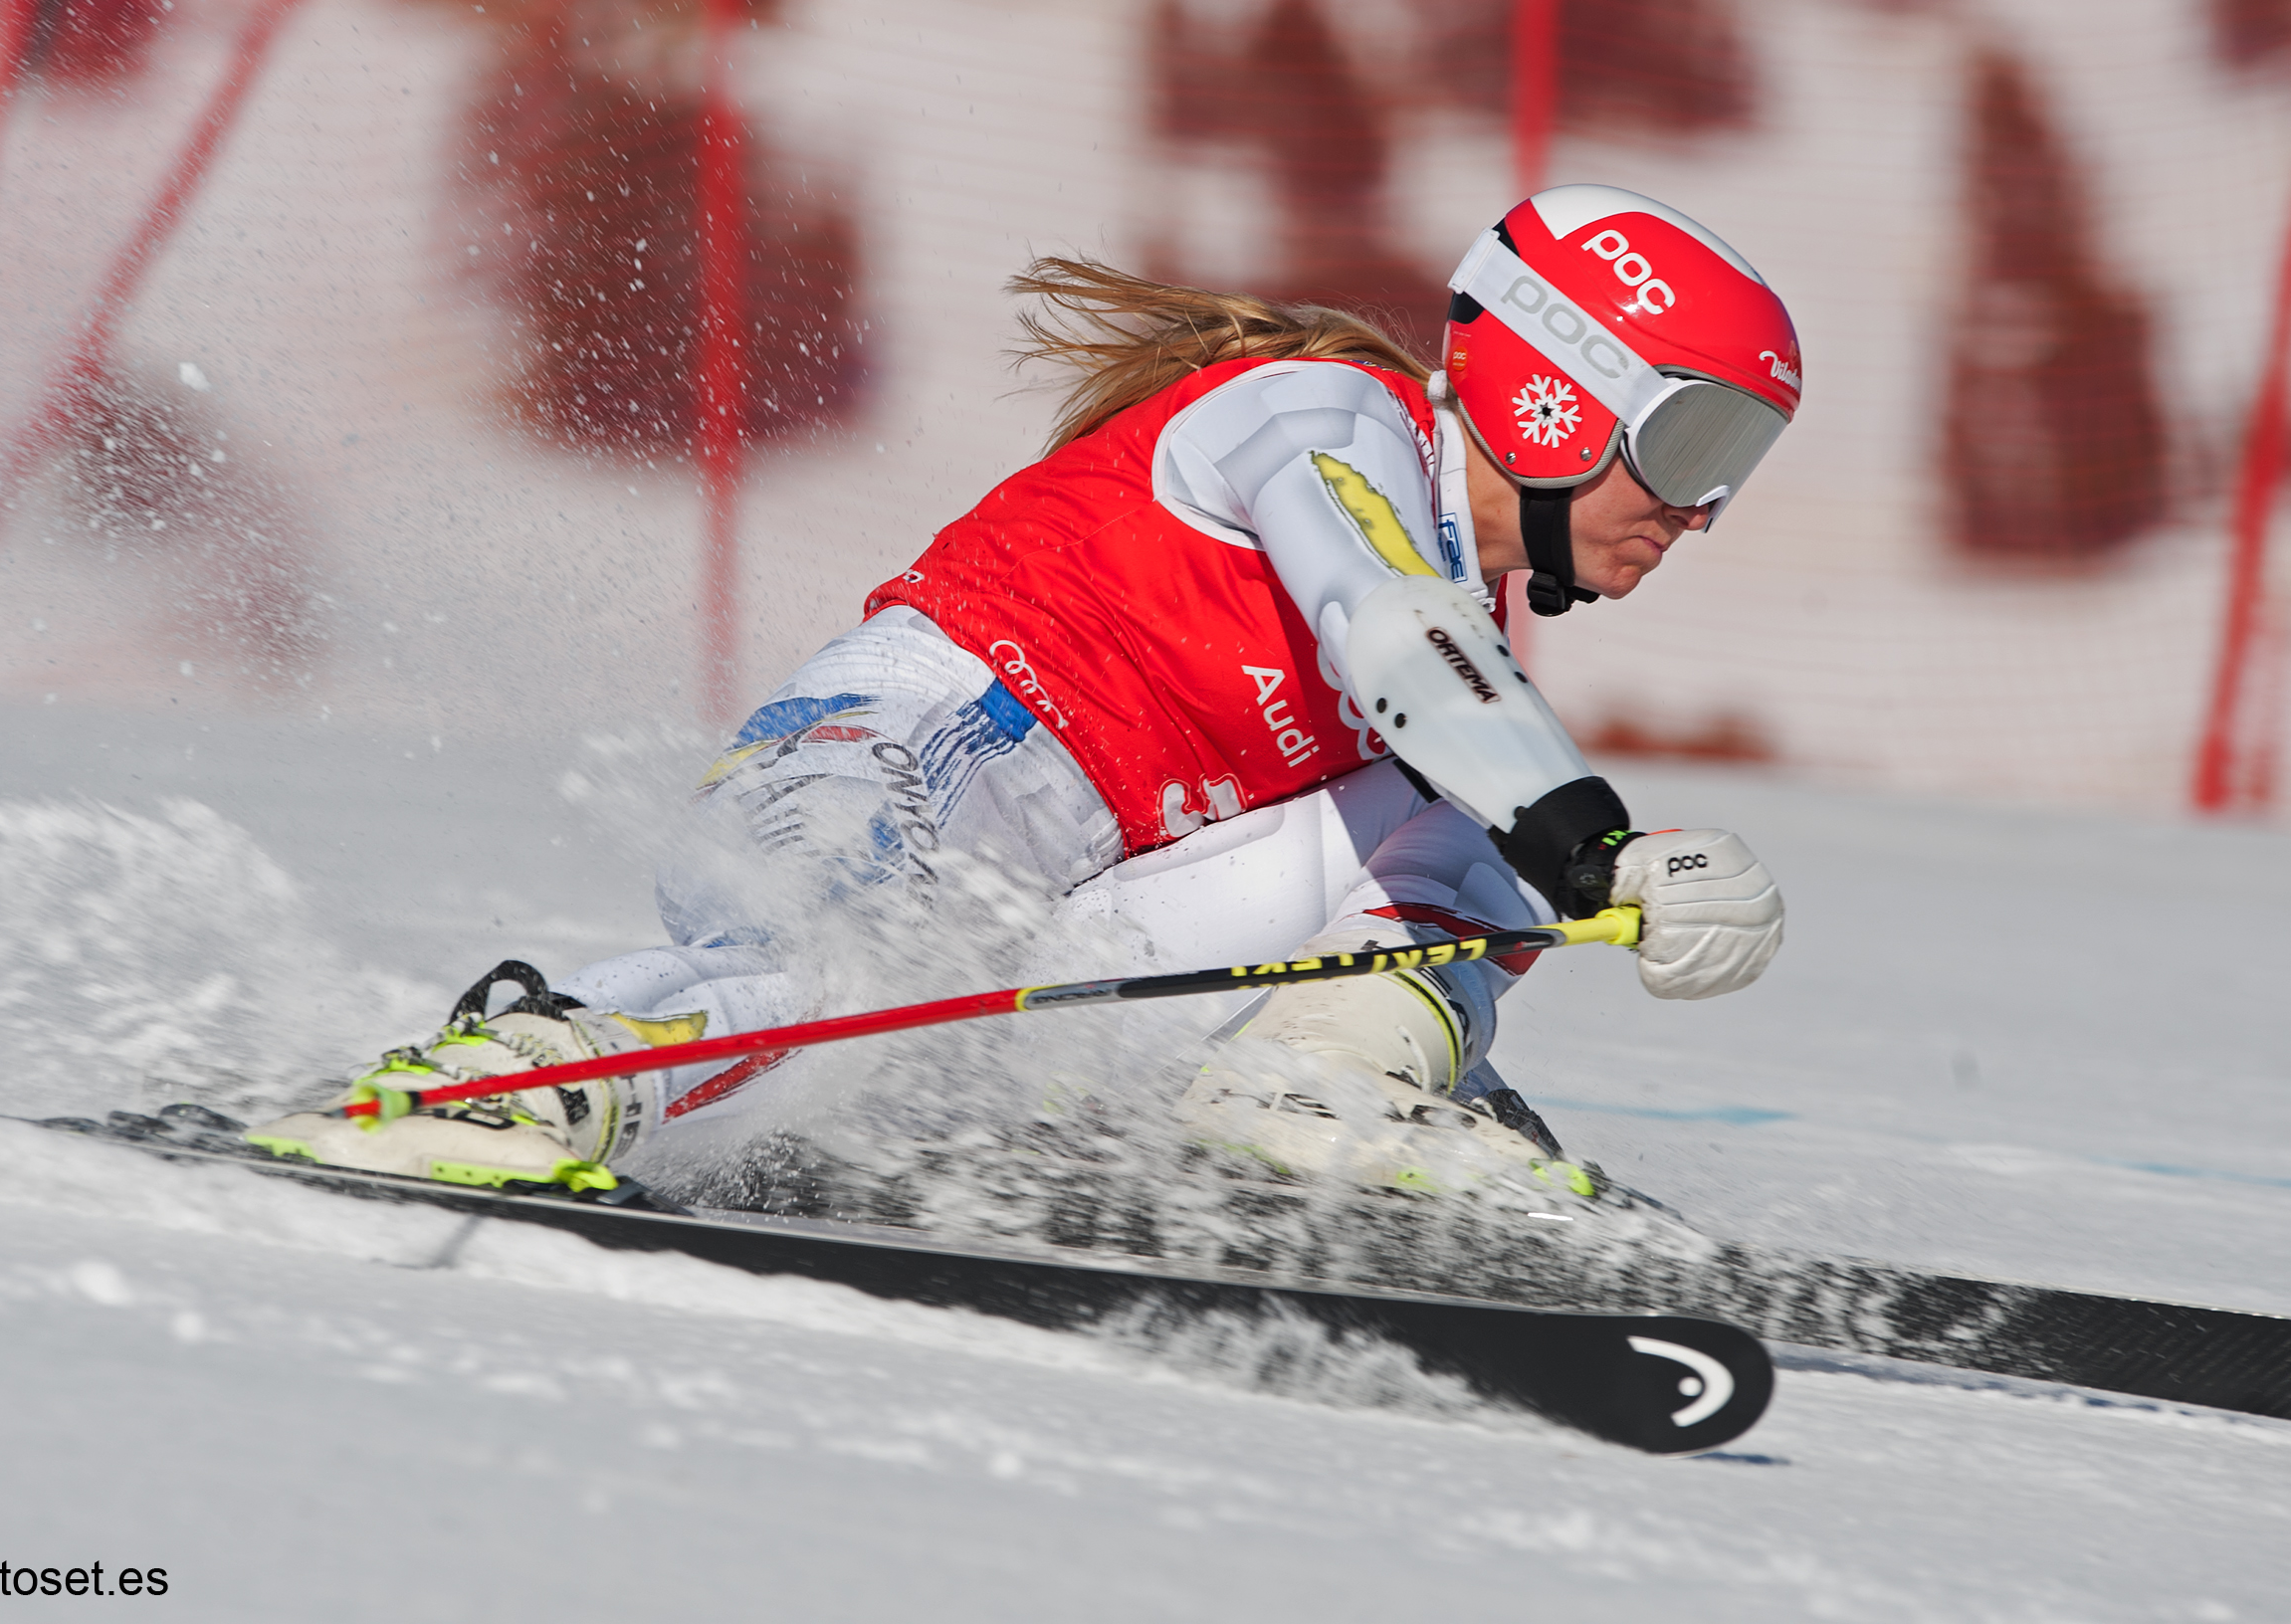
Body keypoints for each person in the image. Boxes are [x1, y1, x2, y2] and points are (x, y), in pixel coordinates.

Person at [248, 183, 1797, 1204]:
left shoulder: (1467, 627)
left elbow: (1435, 719)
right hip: (910, 755)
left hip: (1062, 903)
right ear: (1558, 391)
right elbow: (1394, 636)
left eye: (1736, 467)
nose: (1700, 511)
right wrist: (1602, 847)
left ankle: (1330, 1089)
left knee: (1469, 841)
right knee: (851, 989)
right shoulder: (1325, 416)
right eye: (1694, 443)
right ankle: (527, 1077)